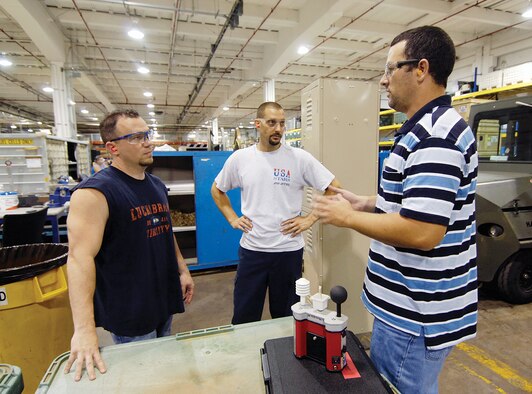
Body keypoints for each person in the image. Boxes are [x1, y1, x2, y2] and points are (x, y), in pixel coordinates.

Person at [314, 26, 478, 394]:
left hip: (415, 315)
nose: (384, 80)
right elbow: (420, 203)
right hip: (407, 310)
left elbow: (423, 232)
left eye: (390, 69)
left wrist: (347, 218)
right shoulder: (422, 129)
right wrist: (366, 203)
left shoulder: (436, 135)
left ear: (420, 69)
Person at [64, 109, 195, 381]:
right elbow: (78, 259)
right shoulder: (95, 193)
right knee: (143, 378)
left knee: (163, 371)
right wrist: (84, 328)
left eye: (147, 135)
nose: (148, 142)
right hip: (130, 308)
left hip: (162, 298)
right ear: (113, 147)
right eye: (136, 137)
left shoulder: (156, 185)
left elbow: (165, 229)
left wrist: (182, 270)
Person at [211, 101, 340, 325]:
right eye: (272, 123)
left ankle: (284, 359)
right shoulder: (241, 159)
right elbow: (217, 190)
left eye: (282, 124)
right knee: (244, 316)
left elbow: (334, 187)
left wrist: (309, 219)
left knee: (286, 317)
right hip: (252, 251)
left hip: (287, 253)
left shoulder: (299, 158)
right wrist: (232, 218)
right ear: (258, 125)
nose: (278, 129)